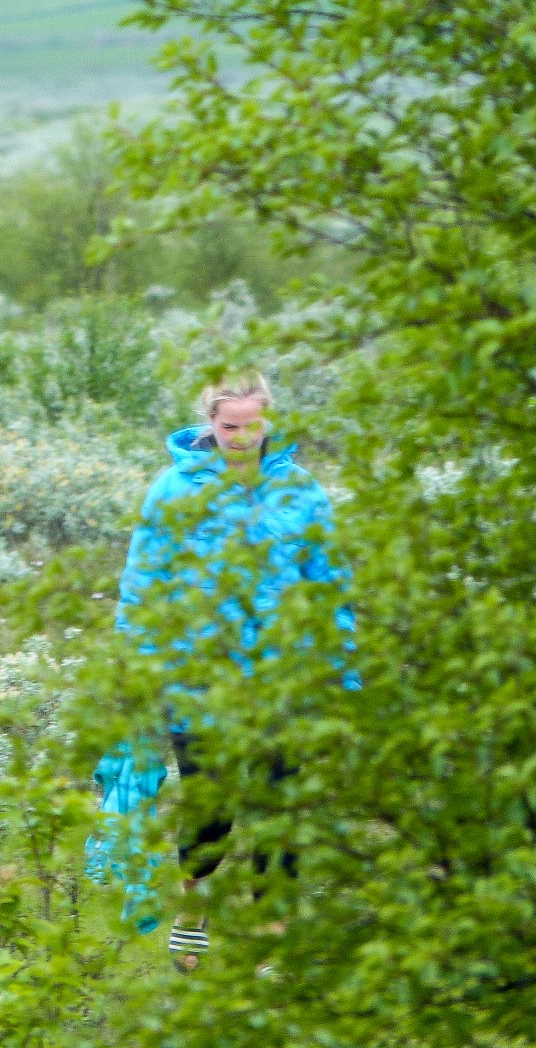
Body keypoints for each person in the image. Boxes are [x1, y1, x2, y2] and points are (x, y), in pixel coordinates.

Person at [115, 372, 359, 971]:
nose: (242, 437)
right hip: (199, 678)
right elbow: (142, 584)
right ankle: (192, 908)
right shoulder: (172, 489)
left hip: (284, 678)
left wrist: (343, 670)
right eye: (229, 427)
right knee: (212, 808)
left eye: (252, 425)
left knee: (278, 807)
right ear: (210, 424)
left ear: (268, 421)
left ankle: (271, 935)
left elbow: (331, 584)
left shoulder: (301, 492)